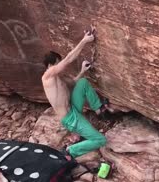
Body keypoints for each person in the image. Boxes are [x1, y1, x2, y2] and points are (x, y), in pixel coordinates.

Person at [41, 27, 110, 160]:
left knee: (82, 82)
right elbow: (67, 60)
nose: (59, 65)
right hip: (70, 119)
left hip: (73, 108)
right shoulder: (48, 76)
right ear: (51, 65)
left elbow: (73, 82)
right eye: (57, 63)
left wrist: (82, 70)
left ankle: (99, 110)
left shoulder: (58, 78)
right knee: (101, 140)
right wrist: (84, 41)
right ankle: (71, 151)